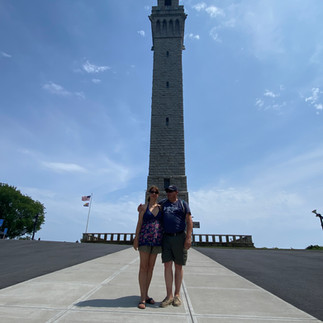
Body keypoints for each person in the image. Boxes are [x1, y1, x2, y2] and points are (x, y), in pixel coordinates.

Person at [159, 185, 193, 308]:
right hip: (166, 237)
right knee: (167, 265)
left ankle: (177, 295)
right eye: (167, 191)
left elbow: (189, 221)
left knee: (178, 266)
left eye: (170, 191)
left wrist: (188, 238)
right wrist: (142, 209)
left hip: (179, 237)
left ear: (176, 192)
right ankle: (169, 296)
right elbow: (152, 210)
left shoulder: (183, 204)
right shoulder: (162, 204)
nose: (168, 193)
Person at [133, 186, 163, 309]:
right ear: (149, 194)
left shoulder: (161, 208)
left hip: (156, 241)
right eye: (152, 192)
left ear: (158, 195)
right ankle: (142, 297)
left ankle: (146, 295)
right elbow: (139, 223)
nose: (154, 194)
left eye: (156, 192)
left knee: (150, 268)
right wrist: (136, 238)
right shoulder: (144, 208)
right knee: (143, 267)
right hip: (144, 239)